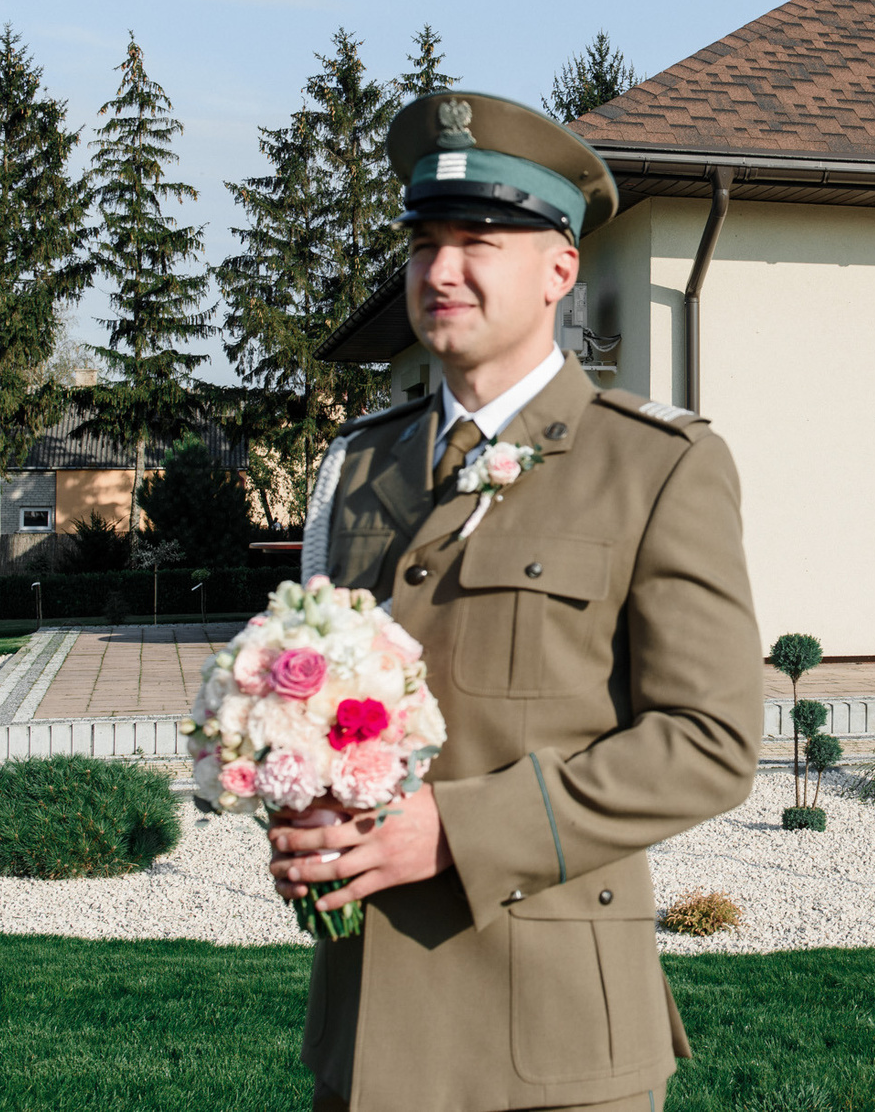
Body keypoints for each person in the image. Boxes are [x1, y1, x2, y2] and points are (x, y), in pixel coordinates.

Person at [267, 91, 763, 1112]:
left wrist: (458, 829)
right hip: (366, 1035)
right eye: (424, 243)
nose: (440, 270)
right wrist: (302, 806)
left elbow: (710, 741)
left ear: (559, 270)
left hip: (553, 1040)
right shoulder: (358, 467)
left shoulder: (656, 465)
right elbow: (312, 695)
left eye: (478, 242)